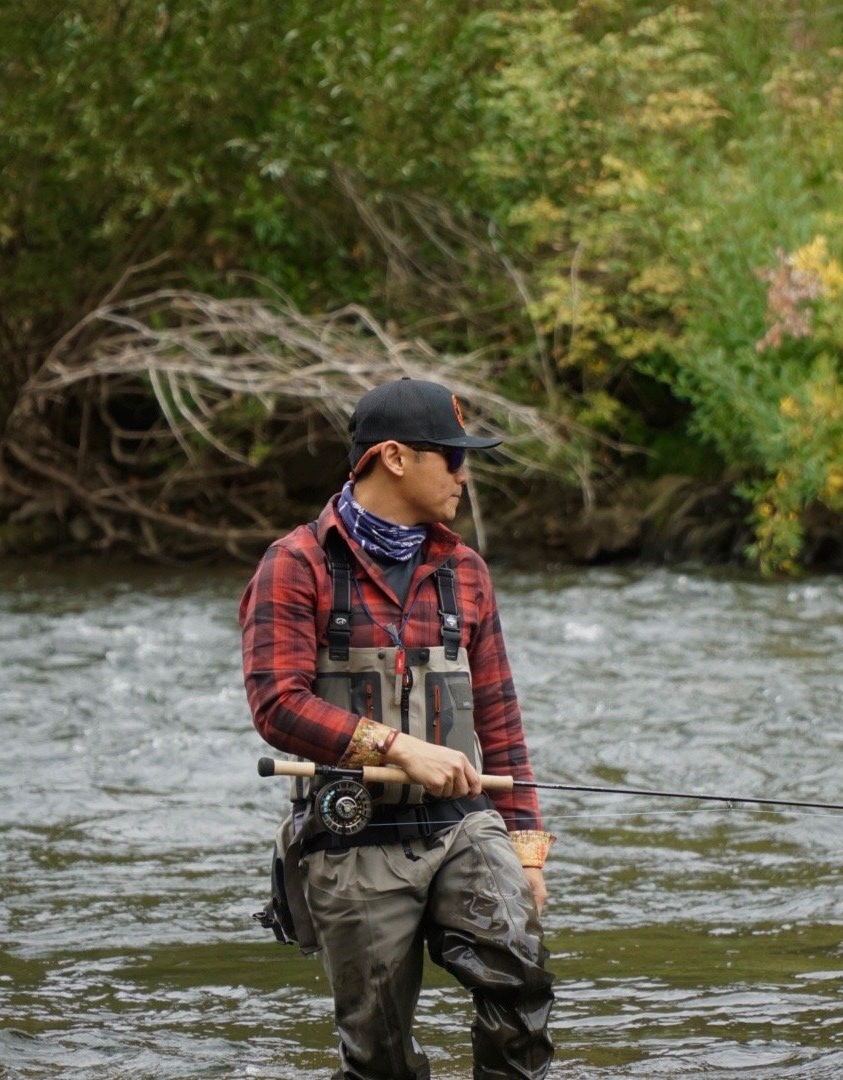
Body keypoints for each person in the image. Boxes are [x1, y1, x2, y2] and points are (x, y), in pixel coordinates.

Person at [239, 377, 555, 1080]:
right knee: (380, 1057)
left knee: (523, 977)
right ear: (394, 457)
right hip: (353, 841)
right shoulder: (294, 566)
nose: (465, 475)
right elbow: (276, 705)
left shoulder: (465, 571)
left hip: (461, 826)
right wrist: (394, 746)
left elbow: (500, 716)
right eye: (451, 456)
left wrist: (527, 848)